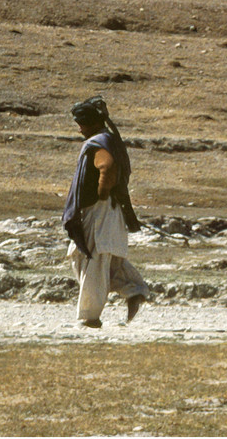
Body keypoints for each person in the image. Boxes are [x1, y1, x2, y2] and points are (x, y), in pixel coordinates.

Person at [62, 96, 149, 329]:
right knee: (101, 258)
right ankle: (133, 290)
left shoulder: (99, 143)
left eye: (80, 123)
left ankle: (90, 317)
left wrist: (101, 194)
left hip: (99, 210)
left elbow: (107, 167)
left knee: (92, 259)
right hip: (109, 210)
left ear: (87, 123)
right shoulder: (108, 139)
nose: (78, 128)